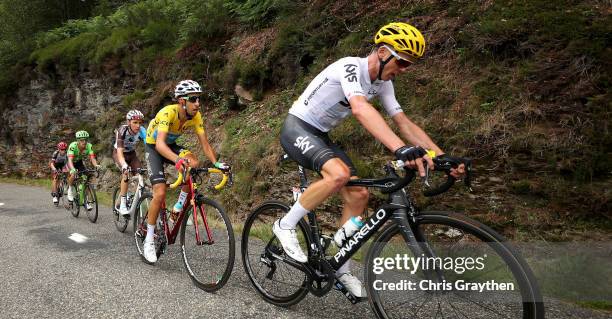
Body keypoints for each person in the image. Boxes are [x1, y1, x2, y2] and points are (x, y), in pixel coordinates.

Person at [274, 22, 464, 298]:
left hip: (322, 135)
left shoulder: (383, 84)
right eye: (402, 63)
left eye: (408, 66)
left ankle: (341, 269)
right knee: (338, 174)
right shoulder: (351, 67)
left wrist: (441, 155)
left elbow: (403, 122)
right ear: (384, 51)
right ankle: (285, 224)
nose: (402, 70)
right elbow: (361, 109)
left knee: (359, 194)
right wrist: (401, 149)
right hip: (298, 127)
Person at [142, 80, 229, 264]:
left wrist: (217, 163)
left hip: (171, 145)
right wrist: (177, 160)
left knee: (194, 163)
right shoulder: (168, 112)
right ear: (182, 101)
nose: (198, 103)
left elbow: (205, 144)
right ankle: (149, 239)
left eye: (199, 98)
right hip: (154, 146)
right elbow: (159, 144)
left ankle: (178, 207)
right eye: (194, 99)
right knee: (160, 192)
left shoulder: (196, 116)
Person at [113, 109, 146, 215]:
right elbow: (119, 151)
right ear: (128, 122)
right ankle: (122, 203)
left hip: (132, 154)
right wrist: (123, 165)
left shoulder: (142, 131)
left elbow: (149, 146)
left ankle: (138, 203)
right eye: (135, 122)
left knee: (140, 175)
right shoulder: (122, 131)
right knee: (126, 173)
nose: (138, 125)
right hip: (119, 154)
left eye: (140, 123)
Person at [67, 130, 100, 209]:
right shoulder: (73, 146)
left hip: (79, 162)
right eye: (81, 140)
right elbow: (70, 160)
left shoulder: (89, 146)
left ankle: (86, 201)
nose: (84, 142)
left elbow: (92, 158)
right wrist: (73, 169)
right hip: (70, 161)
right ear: (78, 141)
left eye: (85, 140)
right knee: (73, 173)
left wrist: (96, 165)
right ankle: (70, 189)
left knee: (86, 179)